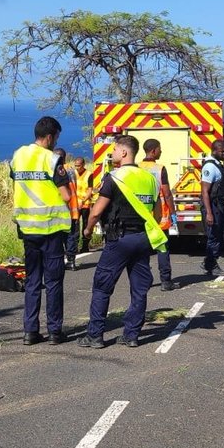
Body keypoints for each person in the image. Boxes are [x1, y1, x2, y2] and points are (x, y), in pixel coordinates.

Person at [78, 134, 167, 348]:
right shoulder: (150, 179)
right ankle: (131, 335)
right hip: (142, 239)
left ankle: (95, 335)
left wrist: (88, 231)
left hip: (119, 239)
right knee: (139, 289)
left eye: (115, 150)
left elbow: (96, 211)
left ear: (124, 152)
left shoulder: (115, 177)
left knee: (102, 287)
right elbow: (155, 215)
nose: (112, 153)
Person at [10, 116, 72, 345]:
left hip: (27, 228)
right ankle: (55, 331)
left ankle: (30, 331)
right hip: (51, 229)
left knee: (33, 281)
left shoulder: (18, 156)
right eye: (56, 137)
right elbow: (66, 195)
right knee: (54, 282)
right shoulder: (52, 159)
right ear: (49, 137)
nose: (56, 141)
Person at [139, 137, 178, 291]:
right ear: (154, 150)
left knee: (143, 251)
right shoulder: (160, 169)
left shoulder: (137, 168)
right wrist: (173, 213)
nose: (161, 151)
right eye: (159, 149)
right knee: (162, 248)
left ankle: (145, 280)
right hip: (159, 217)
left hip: (142, 216)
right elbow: (167, 194)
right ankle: (165, 281)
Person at [200, 138, 224, 276]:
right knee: (213, 237)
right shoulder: (210, 167)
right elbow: (205, 191)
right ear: (214, 151)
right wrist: (209, 213)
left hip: (218, 205)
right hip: (212, 206)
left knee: (219, 235)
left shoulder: (218, 165)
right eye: (222, 151)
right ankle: (211, 265)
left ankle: (209, 262)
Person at [56, 147, 80, 270]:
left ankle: (59, 261)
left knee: (59, 237)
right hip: (73, 209)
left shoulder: (56, 170)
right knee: (71, 237)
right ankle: (71, 261)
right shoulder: (71, 171)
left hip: (60, 211)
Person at [72, 156, 94, 253]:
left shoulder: (89, 175)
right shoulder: (73, 173)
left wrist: (84, 200)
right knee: (74, 226)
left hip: (85, 204)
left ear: (83, 165)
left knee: (85, 225)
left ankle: (85, 246)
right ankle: (74, 246)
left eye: (79, 166)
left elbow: (90, 189)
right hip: (74, 204)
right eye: (75, 166)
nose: (77, 168)